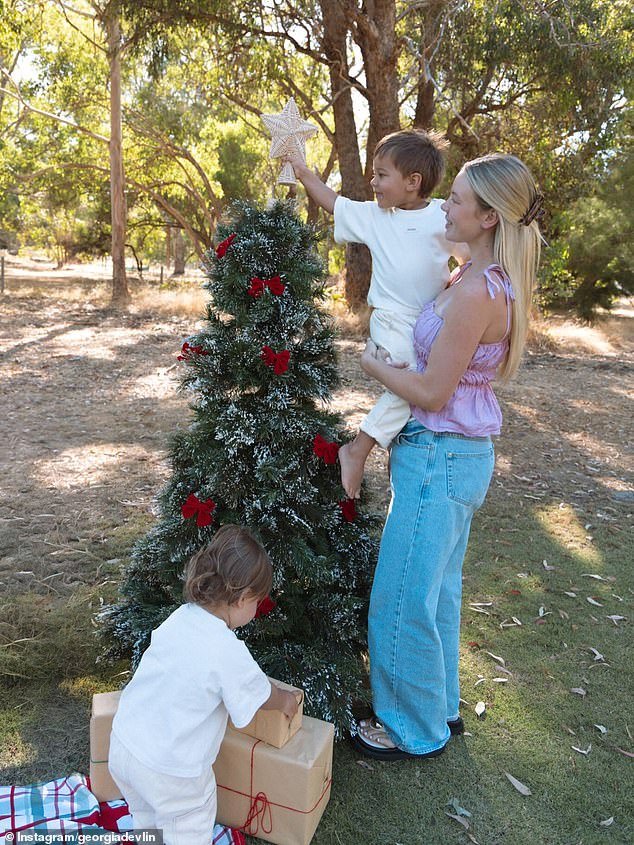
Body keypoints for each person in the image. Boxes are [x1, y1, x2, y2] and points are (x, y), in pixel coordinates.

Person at [350, 153, 543, 760]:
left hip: (440, 456)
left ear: (488, 217)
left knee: (402, 595)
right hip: (452, 456)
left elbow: (433, 391)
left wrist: (374, 367)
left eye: (456, 199)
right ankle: (440, 705)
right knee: (435, 591)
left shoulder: (477, 295)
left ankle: (412, 729)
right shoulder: (471, 278)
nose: (445, 207)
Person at [289, 129, 467, 499]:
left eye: (382, 175)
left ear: (413, 182)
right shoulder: (374, 216)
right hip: (390, 319)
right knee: (414, 382)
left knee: (425, 387)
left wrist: (454, 287)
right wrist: (303, 172)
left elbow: (469, 261)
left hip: (429, 324)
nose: (373, 182)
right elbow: (334, 203)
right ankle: (357, 449)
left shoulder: (441, 218)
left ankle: (369, 450)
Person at [108, 525, 300, 842]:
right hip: (171, 772)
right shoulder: (227, 650)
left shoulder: (182, 616)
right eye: (257, 602)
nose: (257, 611)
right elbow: (260, 693)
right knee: (190, 821)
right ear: (242, 598)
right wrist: (286, 701)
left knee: (146, 818)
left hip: (126, 745)